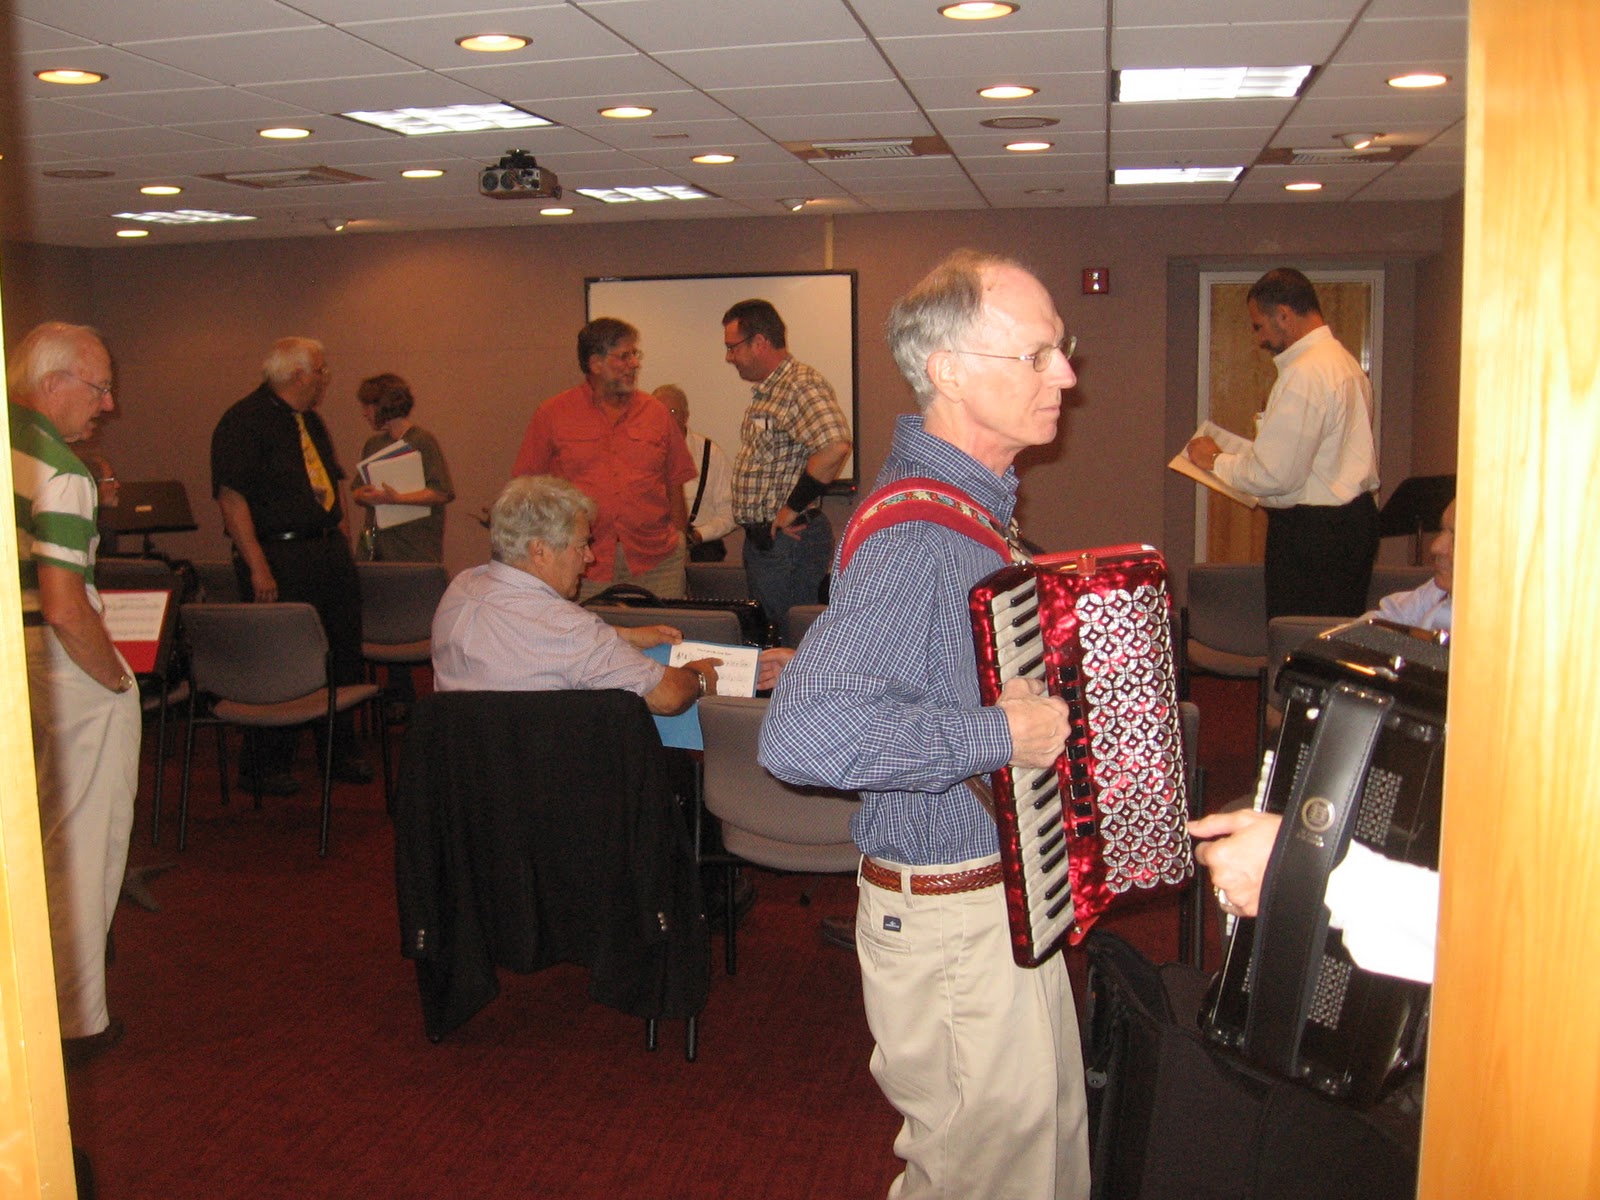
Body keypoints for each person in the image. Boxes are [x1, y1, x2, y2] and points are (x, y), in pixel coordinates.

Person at [759, 250, 1089, 1199]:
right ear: (947, 370)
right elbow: (802, 735)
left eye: (1062, 351)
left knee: (1042, 1161)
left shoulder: (967, 514)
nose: (1064, 374)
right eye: (1037, 355)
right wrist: (1001, 737)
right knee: (984, 1180)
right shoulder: (920, 536)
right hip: (955, 919)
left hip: (989, 904)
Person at [1189, 508, 1457, 986]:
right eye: (1440, 528)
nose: (1437, 546)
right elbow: (1375, 625)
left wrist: (1311, 868)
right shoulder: (1438, 594)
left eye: (1457, 535)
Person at [10, 321, 141, 1064]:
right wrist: (115, 680)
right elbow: (64, 606)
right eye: (97, 387)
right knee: (80, 843)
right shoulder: (62, 469)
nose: (109, 402)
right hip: (59, 665)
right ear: (54, 382)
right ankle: (76, 1016)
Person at [210, 336, 371, 792]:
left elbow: (332, 482)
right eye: (320, 370)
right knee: (280, 658)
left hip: (324, 552)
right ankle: (265, 763)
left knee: (341, 651)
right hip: (277, 554)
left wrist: (341, 536)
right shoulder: (243, 422)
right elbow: (231, 497)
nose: (325, 378)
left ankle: (337, 752)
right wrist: (258, 566)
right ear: (298, 375)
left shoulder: (310, 421)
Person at [431, 476, 721, 715]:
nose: (590, 557)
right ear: (540, 551)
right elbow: (668, 697)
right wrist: (697, 676)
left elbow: (524, 641)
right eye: (581, 545)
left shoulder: (460, 589)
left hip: (464, 773)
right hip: (548, 776)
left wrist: (623, 635)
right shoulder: (566, 629)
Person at [1186, 267, 1380, 620]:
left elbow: (1275, 476)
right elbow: (1304, 460)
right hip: (1350, 524)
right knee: (1332, 642)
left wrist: (1215, 461)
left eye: (1259, 325)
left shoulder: (1306, 373)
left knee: (1297, 643)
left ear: (1284, 316)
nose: (1259, 338)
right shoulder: (1346, 364)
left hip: (1314, 535)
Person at [511, 319, 696, 600]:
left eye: (636, 355)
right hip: (582, 562)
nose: (634, 364)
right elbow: (527, 488)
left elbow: (674, 484)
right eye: (624, 356)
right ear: (595, 363)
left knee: (664, 637)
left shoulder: (656, 414)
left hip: (658, 560)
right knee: (584, 640)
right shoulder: (553, 414)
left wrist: (682, 543)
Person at [722, 298, 852, 627]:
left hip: (789, 541)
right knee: (772, 632)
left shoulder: (798, 385)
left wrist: (789, 508)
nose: (729, 358)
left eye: (733, 348)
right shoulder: (770, 392)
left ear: (760, 342)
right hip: (771, 542)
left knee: (787, 637)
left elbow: (835, 445)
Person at [350, 372, 456, 563]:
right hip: (376, 548)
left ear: (382, 405)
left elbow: (441, 492)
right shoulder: (373, 444)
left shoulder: (422, 441)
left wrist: (397, 499)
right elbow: (356, 491)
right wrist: (363, 494)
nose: (364, 413)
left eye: (368, 406)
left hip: (413, 548)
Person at [653, 383, 736, 562]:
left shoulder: (710, 453)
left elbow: (730, 511)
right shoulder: (639, 454)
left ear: (686, 416)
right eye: (659, 412)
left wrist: (699, 535)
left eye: (673, 412)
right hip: (653, 545)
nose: (665, 419)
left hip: (701, 546)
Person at [1370, 498, 1455, 632]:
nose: (1435, 547)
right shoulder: (1439, 590)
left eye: (1455, 538)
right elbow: (1386, 617)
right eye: (1442, 530)